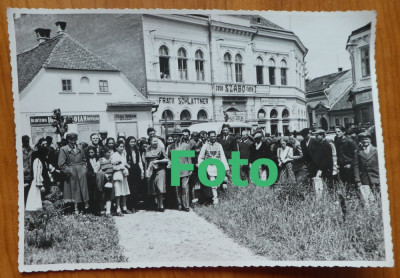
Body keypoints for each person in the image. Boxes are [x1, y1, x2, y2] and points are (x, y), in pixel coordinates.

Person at [58, 133, 89, 214]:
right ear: (68, 140)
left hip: (81, 172)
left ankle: (85, 208)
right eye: (71, 140)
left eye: (75, 139)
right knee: (73, 190)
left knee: (83, 190)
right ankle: (75, 208)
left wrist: (84, 169)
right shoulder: (63, 149)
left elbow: (84, 160)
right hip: (71, 172)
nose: (73, 142)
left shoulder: (80, 147)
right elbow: (61, 164)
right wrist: (69, 171)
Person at [198, 131, 229, 205]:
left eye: (214, 136)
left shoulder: (219, 145)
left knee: (219, 184)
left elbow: (223, 157)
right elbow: (201, 157)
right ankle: (215, 199)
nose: (213, 138)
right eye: (212, 136)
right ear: (208, 137)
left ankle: (220, 197)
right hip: (210, 167)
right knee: (213, 184)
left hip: (219, 167)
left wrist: (226, 168)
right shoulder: (205, 146)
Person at [26, 138, 50, 211]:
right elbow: (37, 174)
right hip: (38, 183)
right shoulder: (38, 160)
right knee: (36, 198)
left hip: (41, 181)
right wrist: (40, 185)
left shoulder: (42, 160)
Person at [145, 137, 169, 212]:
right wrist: (146, 170)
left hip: (160, 169)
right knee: (153, 188)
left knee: (160, 187)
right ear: (150, 142)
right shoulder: (147, 149)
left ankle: (161, 205)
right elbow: (146, 161)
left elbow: (167, 159)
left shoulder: (161, 149)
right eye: (154, 141)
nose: (156, 143)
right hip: (151, 170)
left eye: (157, 141)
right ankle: (156, 204)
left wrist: (157, 161)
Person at [110, 140, 132, 216]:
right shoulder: (114, 155)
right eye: (121, 147)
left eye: (123, 146)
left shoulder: (123, 154)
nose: (122, 148)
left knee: (124, 191)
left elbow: (124, 163)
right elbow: (113, 166)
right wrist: (122, 167)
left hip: (124, 174)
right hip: (117, 174)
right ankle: (118, 209)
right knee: (118, 192)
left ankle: (124, 207)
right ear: (116, 147)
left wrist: (126, 166)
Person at [173, 129, 193, 211]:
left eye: (177, 136)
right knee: (177, 188)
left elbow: (189, 158)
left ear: (181, 136)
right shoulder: (171, 146)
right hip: (175, 169)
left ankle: (186, 205)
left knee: (185, 187)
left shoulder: (186, 145)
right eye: (174, 136)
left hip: (184, 168)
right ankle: (179, 204)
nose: (175, 138)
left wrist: (190, 169)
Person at [126, 136, 145, 211]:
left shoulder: (137, 150)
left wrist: (142, 171)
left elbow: (140, 161)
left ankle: (135, 204)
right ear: (128, 142)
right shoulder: (125, 150)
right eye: (131, 142)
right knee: (130, 187)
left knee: (136, 188)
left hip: (136, 169)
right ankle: (130, 205)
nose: (133, 143)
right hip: (129, 170)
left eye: (134, 142)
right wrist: (129, 166)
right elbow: (124, 160)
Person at [94, 147, 114, 216]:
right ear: (104, 153)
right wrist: (103, 174)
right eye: (108, 152)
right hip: (103, 181)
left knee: (109, 196)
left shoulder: (111, 160)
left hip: (110, 180)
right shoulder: (100, 161)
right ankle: (102, 211)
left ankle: (108, 211)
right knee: (102, 196)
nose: (110, 153)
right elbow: (95, 170)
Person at [189, 132, 203, 206]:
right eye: (194, 136)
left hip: (200, 166)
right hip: (193, 167)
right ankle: (193, 200)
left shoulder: (201, 144)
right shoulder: (191, 144)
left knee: (200, 184)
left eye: (197, 136)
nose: (195, 138)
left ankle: (199, 200)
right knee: (193, 184)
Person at [86, 146, 98, 214]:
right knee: (91, 194)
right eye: (89, 152)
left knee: (96, 193)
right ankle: (91, 210)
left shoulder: (98, 159)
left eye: (92, 152)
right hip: (90, 179)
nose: (91, 154)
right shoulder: (87, 160)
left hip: (97, 177)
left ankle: (96, 209)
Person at [22, 135, 33, 206]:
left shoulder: (31, 150)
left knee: (30, 192)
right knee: (24, 193)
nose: (27, 143)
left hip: (31, 174)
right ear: (22, 142)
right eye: (25, 141)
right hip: (24, 174)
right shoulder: (20, 150)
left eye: (28, 141)